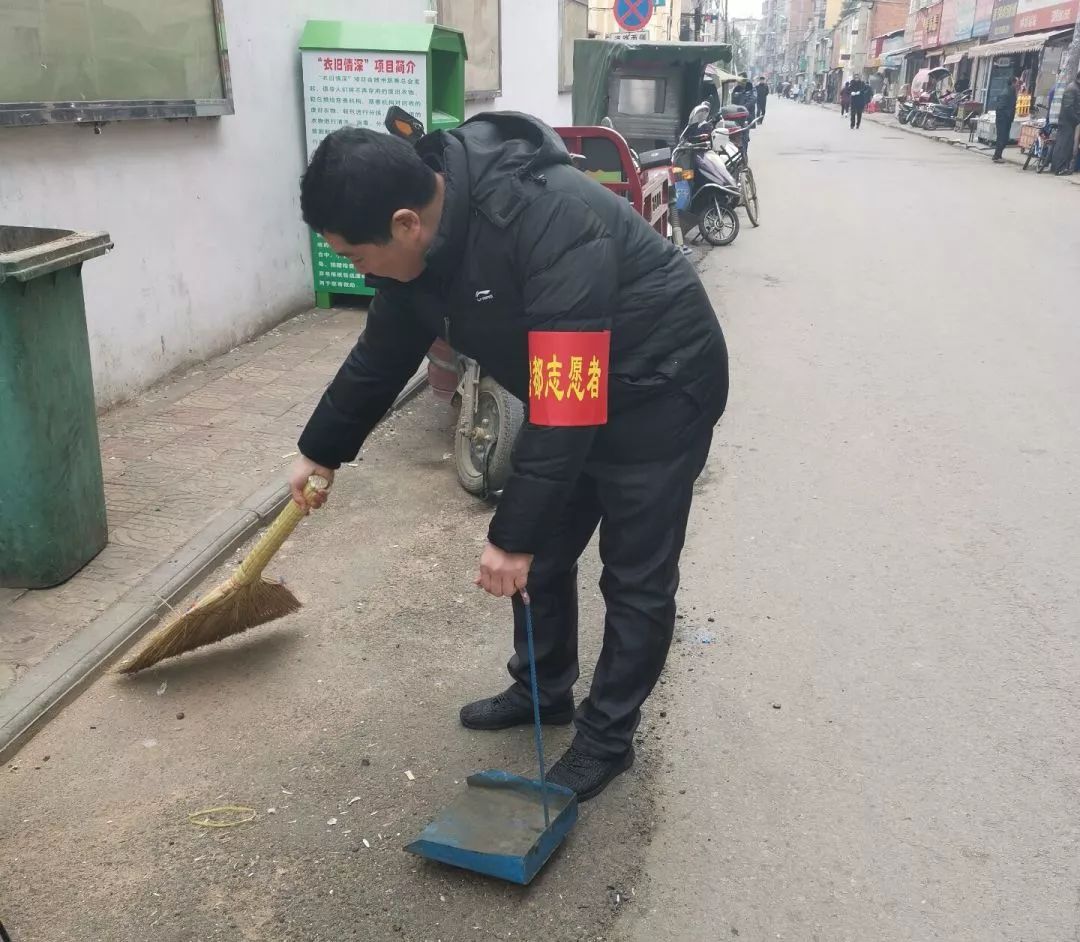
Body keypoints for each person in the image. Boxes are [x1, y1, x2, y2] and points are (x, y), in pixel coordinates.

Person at [291, 114, 729, 801]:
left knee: (634, 578)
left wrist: (511, 537)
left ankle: (606, 739)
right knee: (545, 558)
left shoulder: (549, 218)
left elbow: (566, 401)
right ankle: (542, 690)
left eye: (356, 256)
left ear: (405, 223)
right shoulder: (419, 251)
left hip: (659, 388)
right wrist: (319, 452)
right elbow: (381, 354)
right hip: (574, 392)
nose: (357, 270)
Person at [1050, 69, 1080, 175]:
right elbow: (1068, 108)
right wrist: (1077, 119)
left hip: (1069, 122)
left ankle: (1059, 167)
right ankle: (1059, 168)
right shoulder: (1072, 88)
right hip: (1067, 122)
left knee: (1065, 145)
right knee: (1064, 145)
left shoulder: (1075, 88)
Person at [992, 75, 1019, 162]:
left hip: (1006, 119)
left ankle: (998, 155)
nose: (1018, 84)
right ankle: (997, 156)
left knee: (1005, 137)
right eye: (1017, 82)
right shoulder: (1007, 92)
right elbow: (1001, 107)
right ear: (1013, 83)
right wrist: (1007, 116)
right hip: (1003, 119)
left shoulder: (1011, 91)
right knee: (1002, 137)